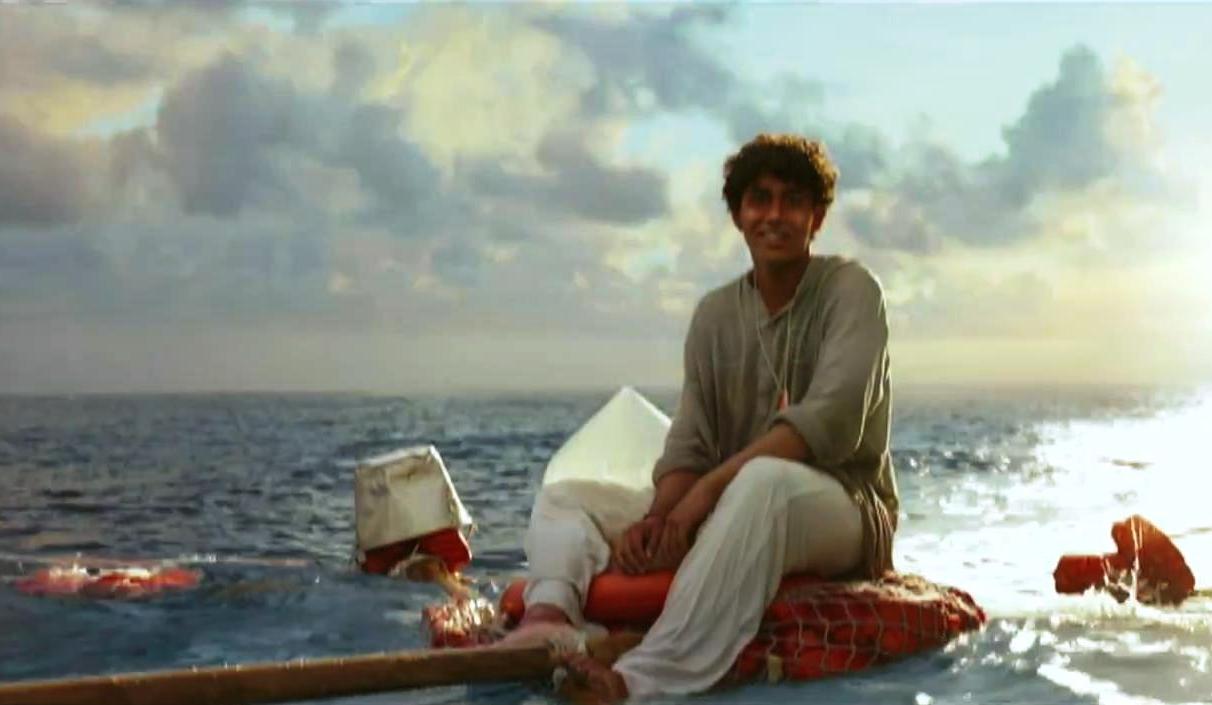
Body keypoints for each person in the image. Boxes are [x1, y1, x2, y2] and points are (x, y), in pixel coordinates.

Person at [508, 133, 899, 702]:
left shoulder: (852, 291)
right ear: (738, 215)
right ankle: (549, 618)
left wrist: (702, 498)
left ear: (817, 218)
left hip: (847, 509)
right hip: (729, 507)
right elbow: (692, 440)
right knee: (569, 495)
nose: (775, 215)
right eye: (759, 199)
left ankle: (639, 679)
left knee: (763, 483)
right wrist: (659, 518)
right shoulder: (715, 314)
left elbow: (833, 421)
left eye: (793, 201)